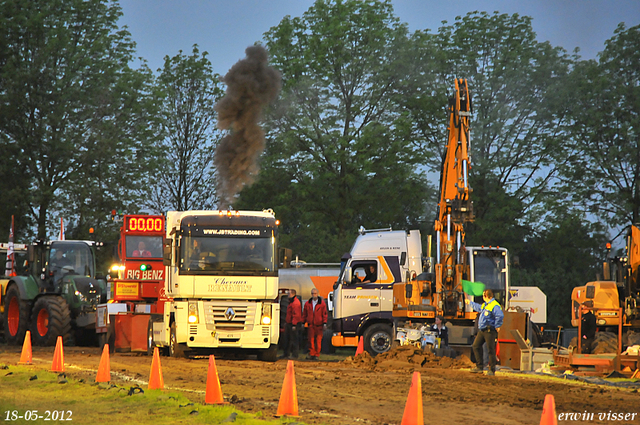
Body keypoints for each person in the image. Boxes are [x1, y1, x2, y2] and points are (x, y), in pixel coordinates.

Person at [466, 289, 504, 376]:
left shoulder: (494, 305)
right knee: (476, 346)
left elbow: (500, 315)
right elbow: (479, 308)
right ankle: (479, 367)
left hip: (489, 330)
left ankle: (492, 370)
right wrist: (470, 303)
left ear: (487, 296)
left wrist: (497, 325)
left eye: (483, 295)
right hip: (482, 330)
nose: (483, 297)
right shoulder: (486, 305)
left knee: (490, 350)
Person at [303, 288, 328, 360]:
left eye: (315, 293)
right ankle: (311, 353)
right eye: (312, 293)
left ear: (317, 294)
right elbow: (304, 314)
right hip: (311, 324)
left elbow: (325, 314)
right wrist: (303, 322)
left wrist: (324, 323)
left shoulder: (322, 304)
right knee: (310, 340)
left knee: (318, 341)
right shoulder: (307, 303)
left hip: (319, 325)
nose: (314, 295)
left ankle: (317, 354)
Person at [283, 288, 303, 359]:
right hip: (289, 323)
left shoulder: (295, 303)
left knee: (294, 339)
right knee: (287, 339)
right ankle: (286, 354)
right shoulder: (291, 302)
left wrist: (294, 324)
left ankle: (295, 355)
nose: (288, 294)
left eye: (289, 293)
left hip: (294, 324)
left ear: (292, 294)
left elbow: (296, 315)